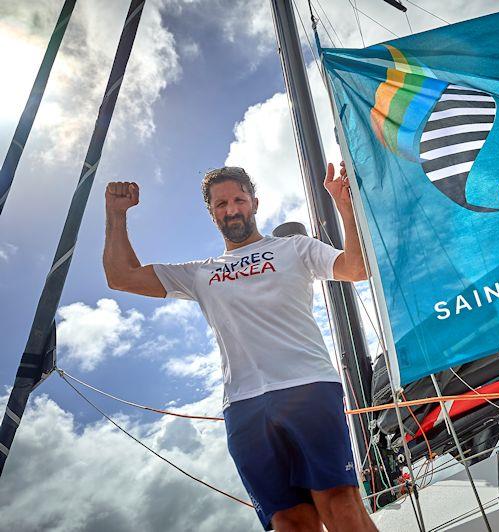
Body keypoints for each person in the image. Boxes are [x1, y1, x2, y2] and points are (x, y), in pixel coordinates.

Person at [103, 162, 377, 532]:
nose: (231, 209)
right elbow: (121, 277)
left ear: (255, 203)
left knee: (338, 503)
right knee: (288, 521)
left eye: (238, 200)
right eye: (221, 204)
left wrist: (345, 206)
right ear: (211, 213)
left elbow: (356, 268)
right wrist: (116, 215)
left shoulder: (295, 248)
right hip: (244, 406)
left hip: (308, 387)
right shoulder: (201, 272)